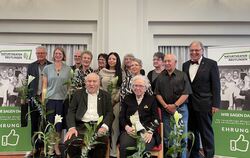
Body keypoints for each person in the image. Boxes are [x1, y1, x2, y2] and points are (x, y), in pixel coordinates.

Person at [182, 41, 221, 158]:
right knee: (192, 132)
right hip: (189, 105)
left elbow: (216, 86)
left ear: (202, 50)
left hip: (205, 104)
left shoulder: (211, 64)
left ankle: (209, 155)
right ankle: (194, 155)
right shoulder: (185, 65)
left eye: (197, 50)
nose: (194, 52)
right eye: (192, 50)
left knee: (206, 133)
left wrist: (216, 104)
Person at [64, 73, 114, 158]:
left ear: (99, 83)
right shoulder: (78, 94)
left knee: (101, 144)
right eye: (89, 81)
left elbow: (110, 113)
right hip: (80, 126)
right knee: (71, 143)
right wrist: (72, 128)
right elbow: (71, 112)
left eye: (94, 81)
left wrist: (104, 127)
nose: (91, 84)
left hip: (98, 127)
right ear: (85, 83)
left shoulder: (106, 95)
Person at [155, 54, 192, 158]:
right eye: (165, 61)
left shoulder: (182, 75)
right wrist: (166, 106)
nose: (166, 63)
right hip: (166, 111)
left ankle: (183, 156)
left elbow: (186, 93)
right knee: (168, 137)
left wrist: (175, 105)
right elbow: (157, 94)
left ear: (175, 62)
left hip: (181, 110)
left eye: (169, 61)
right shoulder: (160, 76)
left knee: (182, 137)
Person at [119, 75, 160, 158]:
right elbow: (121, 117)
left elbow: (156, 119)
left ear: (145, 88)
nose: (137, 88)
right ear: (132, 87)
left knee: (143, 149)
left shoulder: (151, 99)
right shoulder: (127, 98)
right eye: (135, 85)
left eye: (140, 86)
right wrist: (127, 127)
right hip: (130, 131)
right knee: (124, 146)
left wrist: (150, 131)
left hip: (146, 132)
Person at [42, 47, 71, 156]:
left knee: (58, 126)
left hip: (62, 101)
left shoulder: (68, 69)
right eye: (56, 53)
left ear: (63, 56)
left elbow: (69, 87)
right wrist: (43, 101)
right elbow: (44, 86)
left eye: (60, 54)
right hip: (50, 100)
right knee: (50, 126)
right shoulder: (47, 68)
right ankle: (50, 148)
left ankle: (57, 147)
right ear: (53, 55)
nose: (58, 55)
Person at [23, 46, 52, 156]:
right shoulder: (31, 66)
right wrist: (27, 96)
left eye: (42, 53)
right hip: (34, 99)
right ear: (36, 54)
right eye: (38, 53)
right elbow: (28, 82)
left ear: (46, 54)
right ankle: (35, 147)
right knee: (34, 124)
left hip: (47, 99)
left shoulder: (51, 66)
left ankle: (44, 148)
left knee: (46, 124)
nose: (40, 55)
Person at [99, 52, 122, 157]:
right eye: (110, 59)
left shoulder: (120, 72)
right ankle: (103, 151)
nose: (111, 61)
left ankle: (113, 152)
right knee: (102, 125)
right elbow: (98, 86)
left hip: (115, 103)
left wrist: (114, 100)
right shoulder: (102, 72)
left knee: (114, 126)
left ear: (117, 61)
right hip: (103, 102)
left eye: (114, 59)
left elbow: (121, 89)